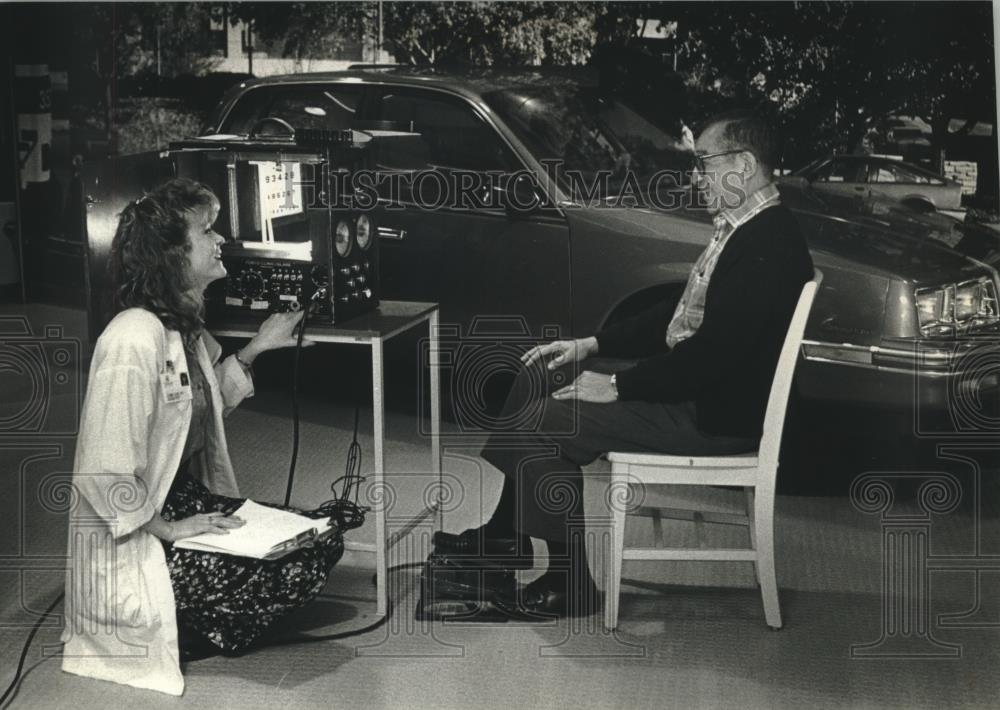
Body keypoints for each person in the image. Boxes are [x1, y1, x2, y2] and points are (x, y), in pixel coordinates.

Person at [434, 109, 814, 618]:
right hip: (697, 389)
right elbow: (677, 313)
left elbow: (713, 357)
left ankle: (569, 583)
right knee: (537, 374)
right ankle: (504, 538)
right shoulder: (744, 228)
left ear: (743, 165)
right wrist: (590, 345)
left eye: (703, 163)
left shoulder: (768, 243)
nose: (694, 176)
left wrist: (616, 385)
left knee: (549, 421)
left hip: (710, 416)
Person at [60, 178, 343, 695]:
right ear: (171, 254)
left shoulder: (181, 332)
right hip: (139, 525)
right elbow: (102, 468)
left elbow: (197, 414)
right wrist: (166, 528)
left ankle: (196, 611)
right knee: (290, 570)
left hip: (179, 499)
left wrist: (258, 348)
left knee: (319, 538)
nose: (221, 241)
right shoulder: (132, 338)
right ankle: (180, 625)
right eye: (207, 231)